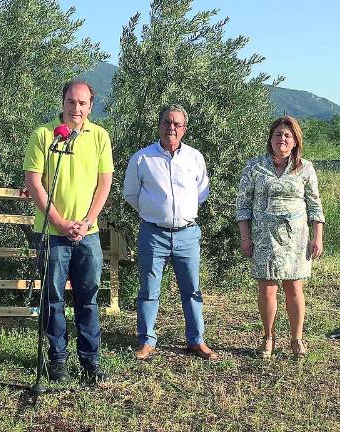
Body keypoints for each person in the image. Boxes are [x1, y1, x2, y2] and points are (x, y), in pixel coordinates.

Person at [23, 79, 113, 384]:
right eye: (71, 102)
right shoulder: (44, 135)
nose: (76, 108)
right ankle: (57, 359)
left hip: (88, 234)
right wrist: (61, 222)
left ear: (91, 105)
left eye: (83, 103)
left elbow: (104, 184)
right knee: (53, 299)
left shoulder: (100, 136)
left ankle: (90, 361)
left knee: (88, 298)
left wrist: (86, 221)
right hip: (52, 232)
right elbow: (34, 182)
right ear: (62, 102)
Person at [123, 104, 218, 361]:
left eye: (177, 124)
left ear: (184, 129)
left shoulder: (195, 158)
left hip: (188, 233)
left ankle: (196, 340)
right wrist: (156, 211)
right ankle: (146, 340)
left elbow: (202, 192)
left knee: (192, 290)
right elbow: (130, 193)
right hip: (153, 234)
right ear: (159, 125)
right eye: (167, 122)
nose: (171, 128)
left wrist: (181, 213)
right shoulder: (142, 158)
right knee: (149, 290)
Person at [235, 116, 325, 358]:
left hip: (296, 239)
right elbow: (242, 205)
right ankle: (268, 338)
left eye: (287, 135)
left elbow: (315, 205)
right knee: (267, 290)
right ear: (270, 139)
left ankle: (297, 340)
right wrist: (245, 238)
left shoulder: (305, 168)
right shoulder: (254, 167)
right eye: (277, 135)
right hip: (264, 238)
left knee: (294, 288)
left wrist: (318, 237)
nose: (282, 139)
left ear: (295, 141)